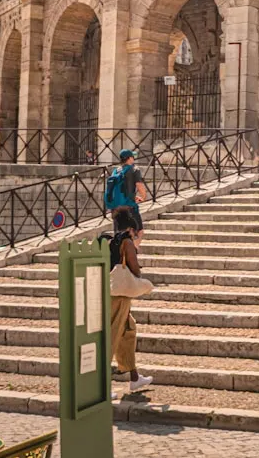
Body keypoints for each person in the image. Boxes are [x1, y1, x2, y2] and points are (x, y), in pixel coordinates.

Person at [107, 205, 153, 394]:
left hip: (110, 292)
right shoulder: (126, 242)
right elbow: (134, 268)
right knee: (112, 336)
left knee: (128, 331)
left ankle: (134, 377)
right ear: (131, 229)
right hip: (119, 296)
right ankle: (101, 385)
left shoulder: (109, 240)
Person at [103, 149, 149, 218]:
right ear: (130, 158)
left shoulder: (116, 171)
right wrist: (143, 197)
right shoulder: (134, 169)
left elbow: (119, 188)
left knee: (120, 228)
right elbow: (139, 185)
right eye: (133, 157)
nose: (133, 158)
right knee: (138, 228)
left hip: (116, 207)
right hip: (129, 206)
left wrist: (133, 196)